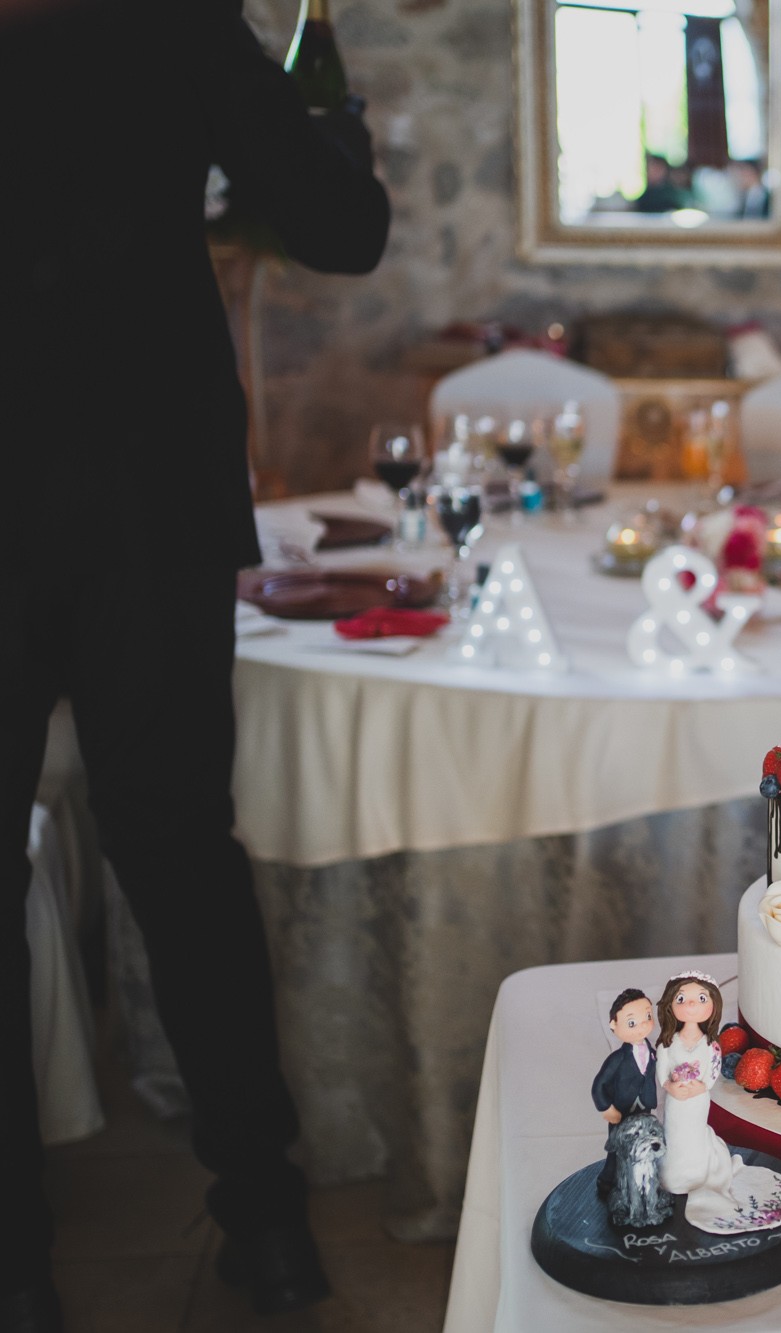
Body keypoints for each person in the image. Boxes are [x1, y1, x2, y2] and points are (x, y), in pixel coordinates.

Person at [1, 2, 390, 1325]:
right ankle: (268, 1221)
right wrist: (332, 122)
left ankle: (16, 1270)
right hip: (143, 499)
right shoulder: (170, 23)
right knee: (179, 849)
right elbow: (341, 228)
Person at [653, 973, 781, 1233]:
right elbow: (662, 1073)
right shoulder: (668, 1043)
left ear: (713, 1005)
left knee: (694, 1134)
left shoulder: (711, 1045)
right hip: (676, 1101)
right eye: (681, 998)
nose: (690, 1005)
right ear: (670, 1004)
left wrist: (700, 1086)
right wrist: (671, 1087)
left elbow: (712, 1073)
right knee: (675, 1135)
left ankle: (697, 1172)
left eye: (700, 998)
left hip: (698, 1100)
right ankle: (674, 1176)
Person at [591, 990, 660, 1195]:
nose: (642, 1026)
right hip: (621, 1112)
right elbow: (598, 1084)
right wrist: (606, 1107)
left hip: (644, 1108)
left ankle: (638, 1183)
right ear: (613, 1025)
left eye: (647, 1017)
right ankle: (608, 1181)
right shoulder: (617, 1059)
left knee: (642, 1147)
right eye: (632, 1023)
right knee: (617, 1149)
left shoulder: (652, 1052)